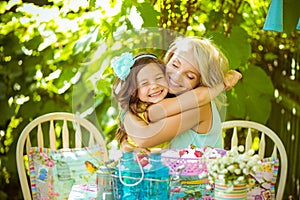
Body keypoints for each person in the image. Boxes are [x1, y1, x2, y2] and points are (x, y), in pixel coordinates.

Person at [122, 36, 242, 149]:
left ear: (201, 83)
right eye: (175, 65)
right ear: (168, 60)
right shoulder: (163, 96)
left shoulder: (201, 107)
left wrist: (127, 114)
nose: (176, 76)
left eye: (190, 76)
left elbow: (145, 137)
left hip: (201, 171)